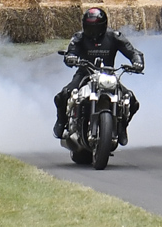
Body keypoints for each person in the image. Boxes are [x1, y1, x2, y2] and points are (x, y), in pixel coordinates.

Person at [53, 7, 144, 142]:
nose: (92, 31)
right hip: (85, 73)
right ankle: (61, 121)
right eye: (89, 27)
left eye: (95, 28)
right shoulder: (79, 37)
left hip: (108, 75)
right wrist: (70, 58)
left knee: (131, 100)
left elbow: (133, 52)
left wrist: (137, 62)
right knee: (64, 94)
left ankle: (122, 127)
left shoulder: (114, 36)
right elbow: (71, 51)